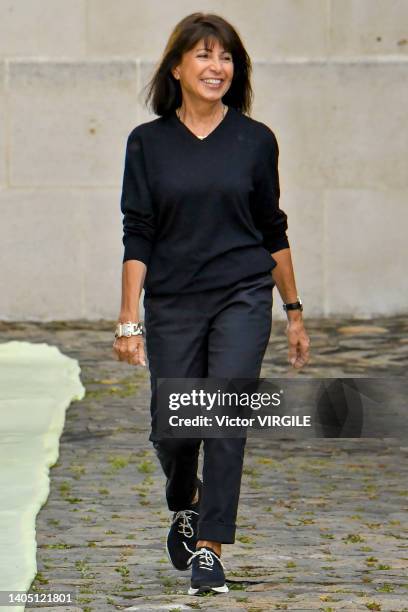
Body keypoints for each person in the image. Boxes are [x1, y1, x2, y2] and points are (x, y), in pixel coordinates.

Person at [112, 12, 310, 596]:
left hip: (242, 296)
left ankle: (210, 549)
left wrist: (293, 310)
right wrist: (129, 320)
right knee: (174, 427)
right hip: (173, 300)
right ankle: (186, 499)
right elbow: (137, 233)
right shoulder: (147, 143)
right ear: (176, 67)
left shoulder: (255, 139)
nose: (215, 66)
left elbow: (272, 228)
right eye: (202, 55)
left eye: (224, 57)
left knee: (225, 417)